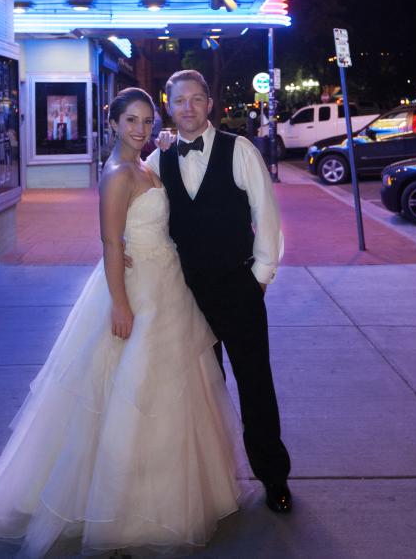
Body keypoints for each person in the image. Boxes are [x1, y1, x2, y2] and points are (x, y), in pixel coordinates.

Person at [0, 87, 241, 557]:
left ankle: (167, 486)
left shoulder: (143, 164)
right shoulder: (115, 175)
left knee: (176, 390)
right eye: (132, 121)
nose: (141, 129)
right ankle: (124, 505)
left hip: (166, 283)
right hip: (137, 291)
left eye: (147, 121)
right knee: (131, 391)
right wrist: (120, 304)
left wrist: (161, 145)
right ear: (112, 124)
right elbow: (109, 243)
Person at [145, 69, 292, 514]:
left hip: (237, 286)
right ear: (168, 108)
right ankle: (209, 484)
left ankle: (273, 478)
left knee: (255, 385)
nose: (187, 107)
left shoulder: (239, 149)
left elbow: (265, 212)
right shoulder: (157, 159)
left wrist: (261, 276)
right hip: (184, 294)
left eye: (195, 99)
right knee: (201, 390)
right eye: (178, 101)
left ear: (209, 104)